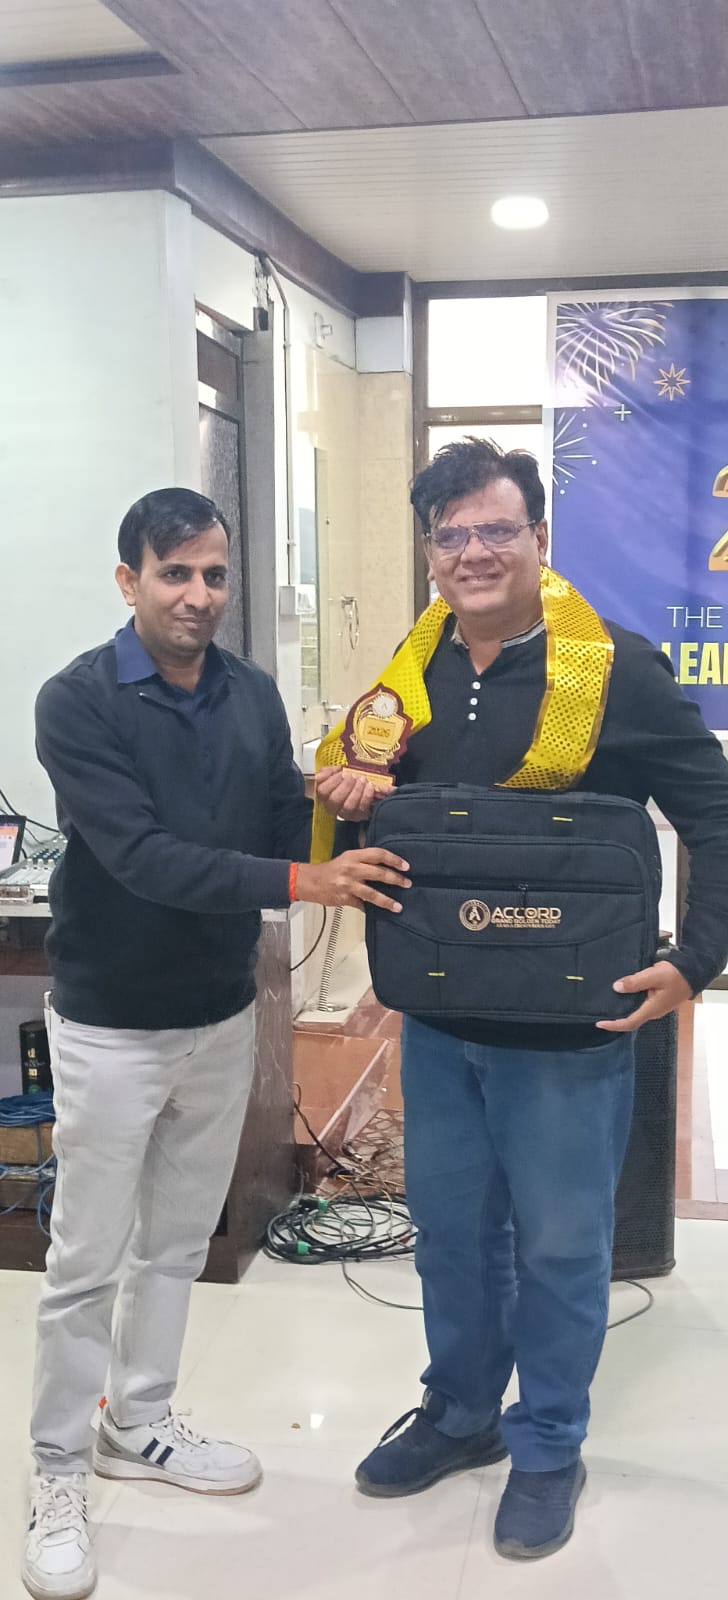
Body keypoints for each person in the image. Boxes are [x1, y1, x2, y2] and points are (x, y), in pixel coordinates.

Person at [314, 437, 728, 1561]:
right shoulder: (407, 684)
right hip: (442, 1019)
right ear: (429, 553)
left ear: (539, 537)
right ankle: (460, 1413)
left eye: (496, 528)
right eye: (450, 535)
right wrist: (352, 801)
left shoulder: (615, 669)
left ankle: (546, 1443)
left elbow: (716, 814)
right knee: (451, 1239)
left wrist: (695, 960)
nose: (473, 552)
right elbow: (397, 829)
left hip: (568, 1031)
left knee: (558, 1247)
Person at [24, 487, 410, 1600]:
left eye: (214, 574)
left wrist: (338, 800)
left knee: (176, 1243)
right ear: (129, 581)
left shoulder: (248, 692)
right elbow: (143, 857)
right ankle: (56, 1472)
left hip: (219, 1012)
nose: (198, 595)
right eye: (174, 573)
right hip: (109, 1022)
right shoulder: (77, 702)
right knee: (86, 1260)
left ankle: (138, 1420)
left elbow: (279, 820)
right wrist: (303, 877)